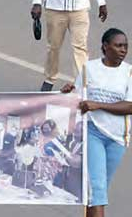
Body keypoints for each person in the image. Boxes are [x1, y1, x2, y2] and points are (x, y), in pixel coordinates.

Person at [62, 28, 131, 217]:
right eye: (118, 45)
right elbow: (79, 98)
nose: (123, 50)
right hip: (93, 133)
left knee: (97, 192)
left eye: (125, 46)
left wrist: (98, 105)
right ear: (105, 46)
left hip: (117, 139)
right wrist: (67, 92)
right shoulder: (89, 69)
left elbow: (130, 106)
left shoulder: (129, 73)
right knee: (97, 189)